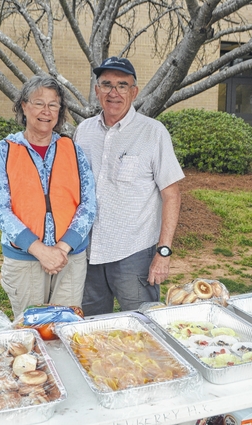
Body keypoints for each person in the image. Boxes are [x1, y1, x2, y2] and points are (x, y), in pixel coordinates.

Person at [74, 57, 184, 316]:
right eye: (107, 84)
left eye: (122, 85)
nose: (114, 93)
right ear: (97, 90)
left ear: (134, 92)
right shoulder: (83, 132)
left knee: (145, 329)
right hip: (88, 253)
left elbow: (172, 195)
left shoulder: (153, 132)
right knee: (92, 331)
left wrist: (163, 253)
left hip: (134, 255)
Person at [0, 75, 96, 319]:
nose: (46, 111)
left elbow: (88, 204)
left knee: (65, 329)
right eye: (38, 103)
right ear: (24, 106)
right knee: (31, 334)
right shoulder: (3, 151)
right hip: (25, 260)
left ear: (60, 110)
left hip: (69, 259)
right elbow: (0, 209)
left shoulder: (73, 150)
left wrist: (62, 248)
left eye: (53, 104)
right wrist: (40, 250)